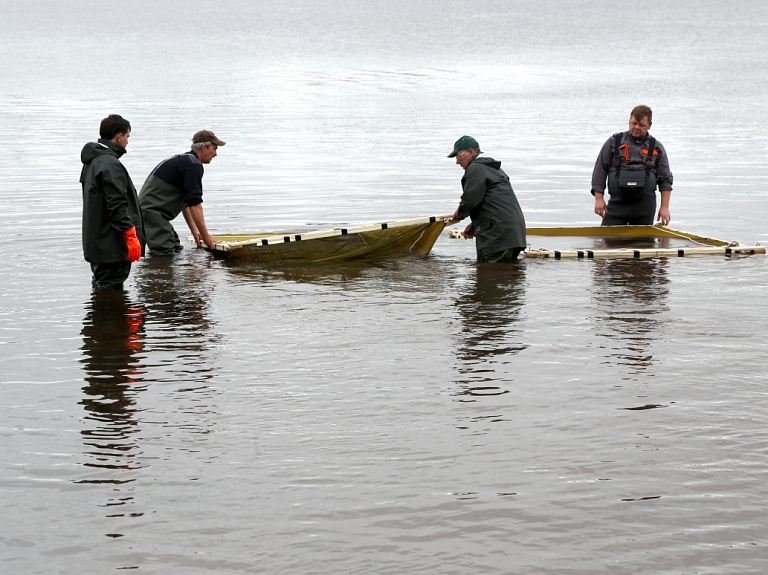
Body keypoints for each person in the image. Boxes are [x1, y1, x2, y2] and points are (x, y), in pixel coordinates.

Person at [80, 114, 145, 290]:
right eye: (127, 137)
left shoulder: (93, 161)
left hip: (98, 242)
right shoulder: (109, 164)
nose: (127, 142)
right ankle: (113, 316)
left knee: (101, 285)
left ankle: (105, 314)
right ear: (118, 136)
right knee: (111, 287)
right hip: (112, 245)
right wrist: (130, 235)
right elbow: (116, 205)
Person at [139, 130, 226, 255]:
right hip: (151, 213)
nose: (216, 154)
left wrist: (195, 231)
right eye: (214, 148)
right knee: (165, 252)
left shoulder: (186, 161)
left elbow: (186, 203)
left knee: (175, 247)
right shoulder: (193, 166)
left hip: (152, 214)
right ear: (204, 147)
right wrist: (206, 237)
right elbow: (195, 205)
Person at [591, 105, 674, 226]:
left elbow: (665, 178)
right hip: (616, 206)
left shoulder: (656, 147)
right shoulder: (614, 142)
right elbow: (600, 170)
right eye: (634, 123)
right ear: (629, 121)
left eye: (641, 125)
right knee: (607, 243)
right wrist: (599, 199)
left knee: (643, 244)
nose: (636, 127)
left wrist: (664, 208)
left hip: (644, 208)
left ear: (649, 125)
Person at [448, 135, 527, 262]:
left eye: (458, 156)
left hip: (497, 235)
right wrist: (475, 224)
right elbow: (493, 201)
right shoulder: (491, 168)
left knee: (488, 275)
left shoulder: (475, 168)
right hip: (513, 232)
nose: (457, 162)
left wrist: (459, 214)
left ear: (471, 152)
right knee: (508, 275)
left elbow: (470, 199)